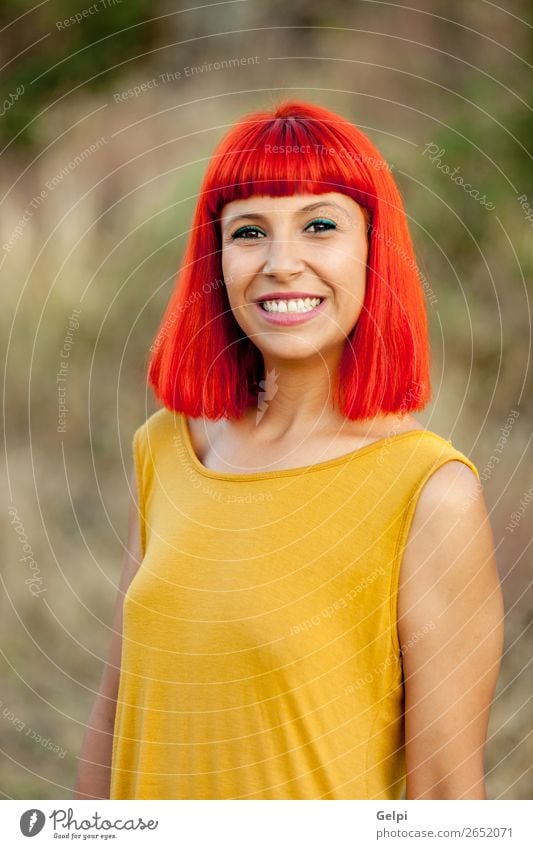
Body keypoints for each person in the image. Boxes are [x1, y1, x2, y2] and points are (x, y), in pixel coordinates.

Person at [74, 99, 504, 801]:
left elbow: (445, 799)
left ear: (374, 247)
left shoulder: (429, 491)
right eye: (249, 231)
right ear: (217, 258)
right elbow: (114, 710)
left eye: (320, 225)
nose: (281, 263)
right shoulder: (167, 448)